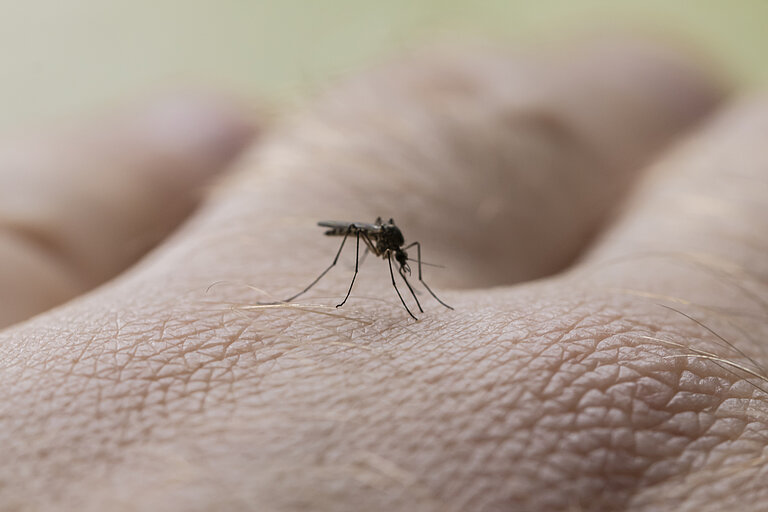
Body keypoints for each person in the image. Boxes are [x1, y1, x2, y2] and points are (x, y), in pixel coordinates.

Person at [0, 37, 765, 511]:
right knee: (357, 250)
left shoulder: (397, 240)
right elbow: (364, 240)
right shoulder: (369, 238)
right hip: (349, 232)